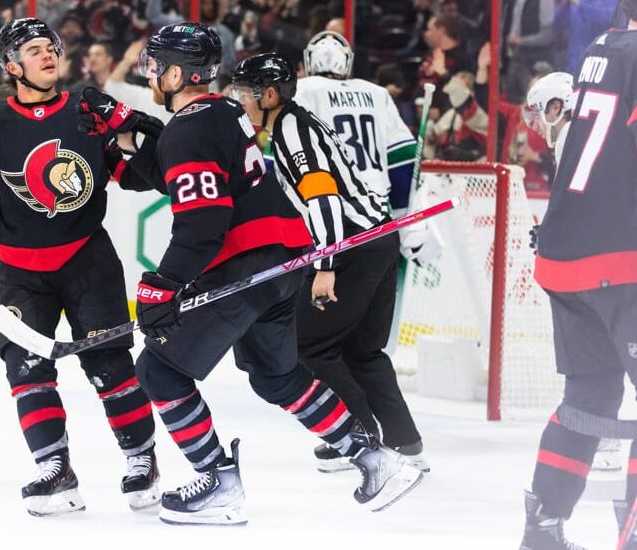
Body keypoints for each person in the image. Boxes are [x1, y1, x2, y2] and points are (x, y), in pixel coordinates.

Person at [120, 22, 424, 526]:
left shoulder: (192, 126)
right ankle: (376, 460)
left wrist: (162, 284)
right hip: (284, 261)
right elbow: (180, 170)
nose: (150, 73)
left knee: (159, 371)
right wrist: (132, 133)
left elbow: (203, 223)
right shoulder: (221, 113)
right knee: (277, 375)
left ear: (175, 73)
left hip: (247, 262)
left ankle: (217, 482)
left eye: (155, 66)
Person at [0, 18, 161, 516]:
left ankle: (142, 459)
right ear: (12, 67)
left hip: (87, 262)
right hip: (20, 274)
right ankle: (55, 470)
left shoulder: (85, 109)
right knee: (26, 370)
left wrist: (132, 126)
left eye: (50, 47)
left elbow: (136, 173)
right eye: (33, 50)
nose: (47, 55)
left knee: (111, 367)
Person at [522, 0, 637, 548]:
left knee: (589, 397)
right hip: (629, 262)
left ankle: (543, 527)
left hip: (565, 254)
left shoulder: (604, 48)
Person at [252, 33, 430, 474]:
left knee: (311, 342)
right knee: (363, 348)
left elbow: (309, 187)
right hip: (381, 223)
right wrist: (406, 222)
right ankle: (405, 442)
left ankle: (360, 438)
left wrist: (317, 259)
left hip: (339, 234)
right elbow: (405, 160)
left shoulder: (299, 99)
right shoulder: (377, 93)